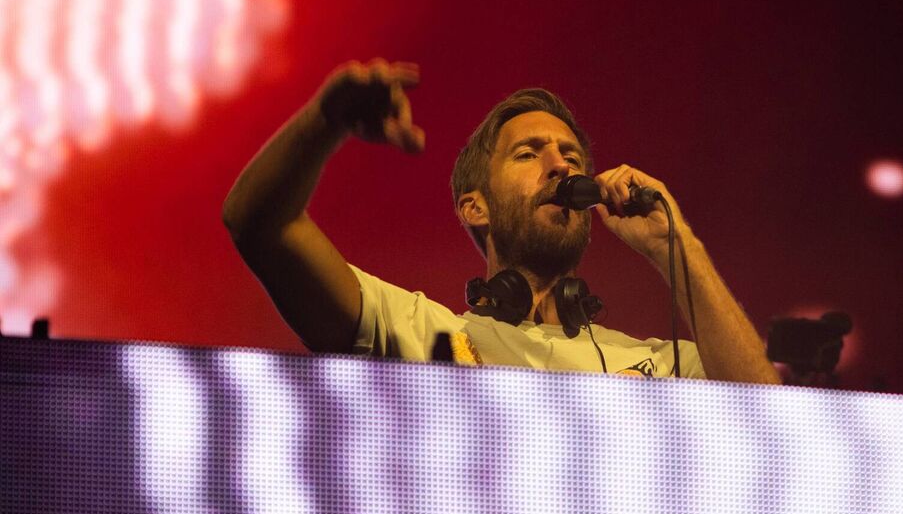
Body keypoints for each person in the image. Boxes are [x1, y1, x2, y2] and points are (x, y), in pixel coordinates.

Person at [222, 60, 780, 384]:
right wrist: (325, 123)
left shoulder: (659, 363)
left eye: (571, 156)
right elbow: (261, 226)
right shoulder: (423, 335)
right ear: (475, 207)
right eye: (528, 153)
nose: (560, 166)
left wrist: (677, 247)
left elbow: (771, 419)